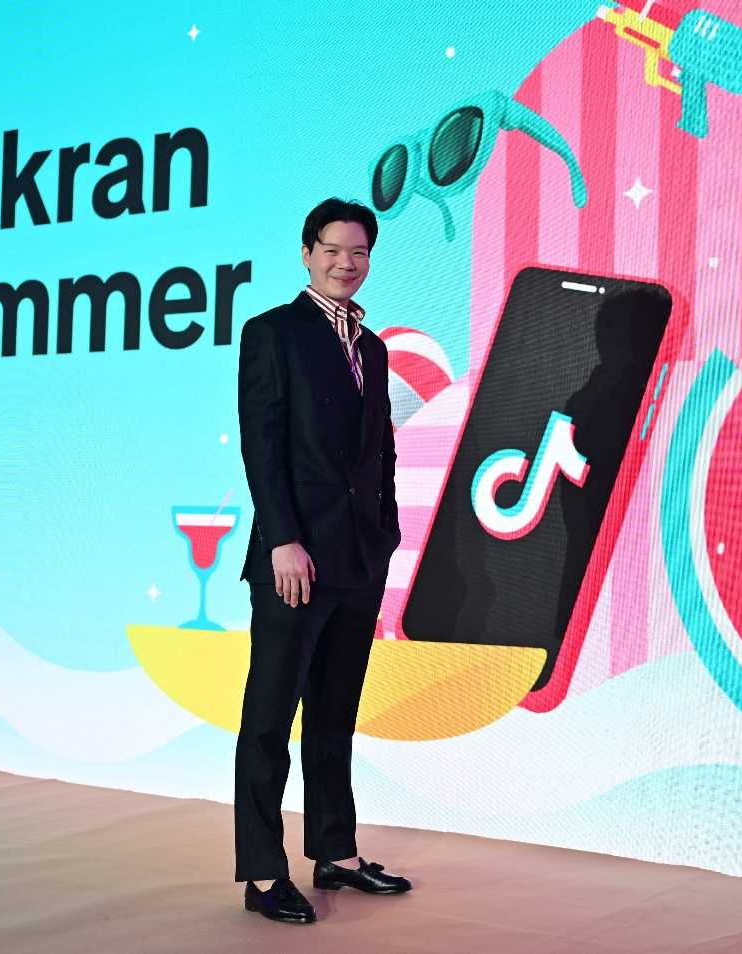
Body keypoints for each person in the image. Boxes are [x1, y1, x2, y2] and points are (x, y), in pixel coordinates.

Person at [234, 197, 411, 924]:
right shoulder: (272, 332)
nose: (347, 263)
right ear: (307, 253)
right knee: (270, 718)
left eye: (359, 252)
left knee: (335, 715)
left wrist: (386, 532)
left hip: (358, 558)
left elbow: (381, 450)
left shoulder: (373, 347)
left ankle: (335, 853)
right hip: (295, 559)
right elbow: (262, 443)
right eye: (333, 250)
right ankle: (262, 872)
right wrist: (281, 539)